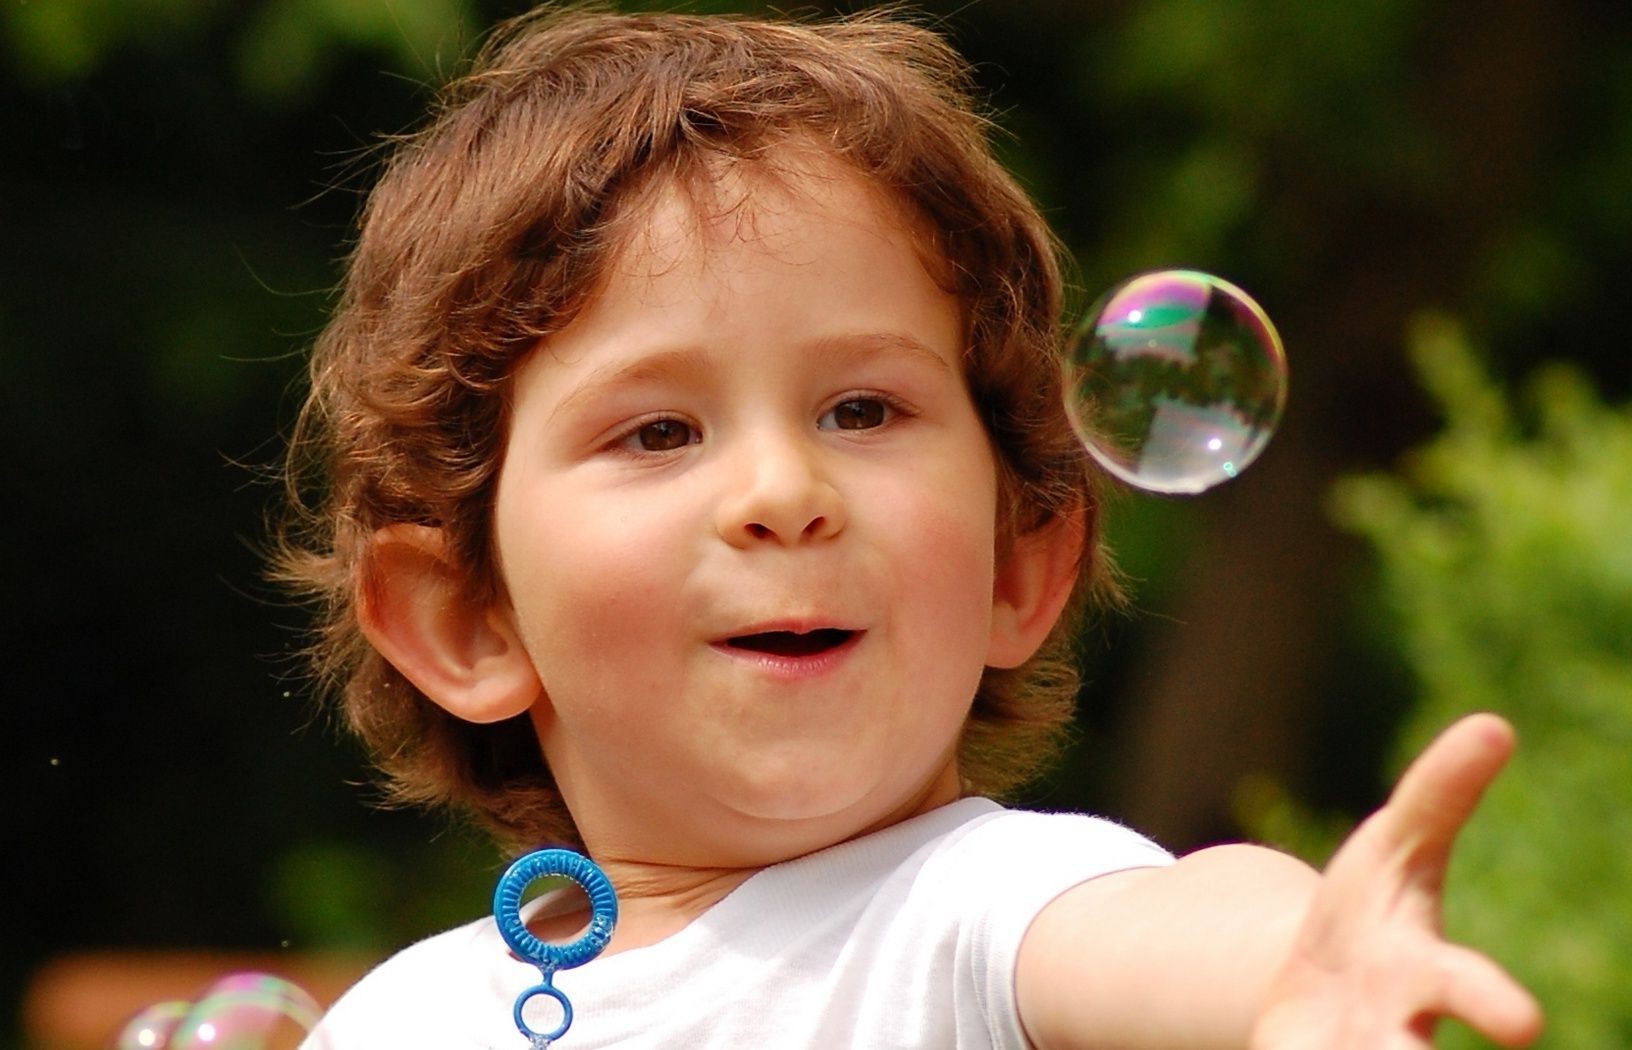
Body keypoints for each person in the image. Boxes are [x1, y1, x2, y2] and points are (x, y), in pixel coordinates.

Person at [279, 5, 1542, 1047]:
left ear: (1016, 563)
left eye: (863, 408)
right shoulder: (402, 1020)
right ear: (467, 619)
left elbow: (1174, 924)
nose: (782, 493)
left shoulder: (973, 920)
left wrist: (1293, 968)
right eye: (658, 432)